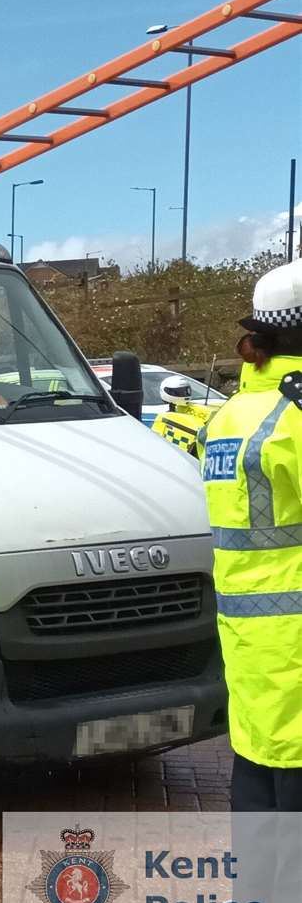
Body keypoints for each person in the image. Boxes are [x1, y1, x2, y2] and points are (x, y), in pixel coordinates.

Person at [197, 260, 302, 813]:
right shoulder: (295, 418)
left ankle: (262, 901)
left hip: (249, 637)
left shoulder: (230, 416)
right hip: (296, 644)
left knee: (258, 767)